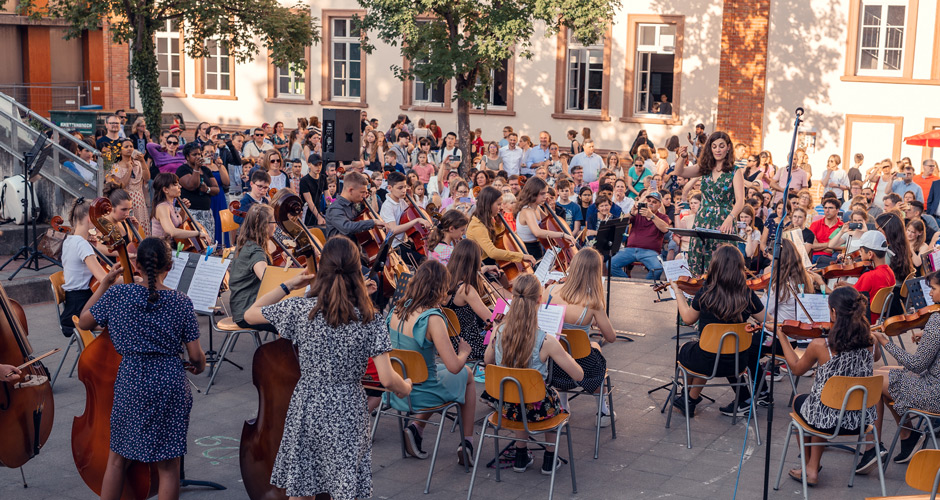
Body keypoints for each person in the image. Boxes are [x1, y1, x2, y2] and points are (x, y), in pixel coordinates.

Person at [243, 236, 411, 499]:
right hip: (347, 406)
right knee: (344, 485)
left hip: (308, 403)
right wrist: (405, 387)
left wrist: (290, 284)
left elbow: (251, 313)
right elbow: (388, 379)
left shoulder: (303, 309)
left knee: (302, 485)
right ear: (357, 271)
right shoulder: (370, 318)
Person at [78, 237, 207, 500]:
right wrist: (199, 366)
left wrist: (104, 283)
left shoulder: (117, 295)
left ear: (137, 267)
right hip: (169, 381)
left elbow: (84, 322)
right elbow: (196, 356)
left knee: (117, 459)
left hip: (131, 379)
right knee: (169, 465)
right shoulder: (181, 302)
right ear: (169, 267)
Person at [774, 286, 879, 485]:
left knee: (802, 402)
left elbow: (796, 369)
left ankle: (810, 468)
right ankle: (812, 467)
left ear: (833, 312)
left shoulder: (821, 346)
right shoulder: (870, 341)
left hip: (828, 419)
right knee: (819, 404)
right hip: (860, 419)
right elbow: (876, 357)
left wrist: (783, 338)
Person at [483, 274, 584, 474]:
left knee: (518, 392)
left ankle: (520, 456)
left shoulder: (500, 331)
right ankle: (549, 458)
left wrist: (495, 330)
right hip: (539, 409)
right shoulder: (545, 341)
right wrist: (565, 353)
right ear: (539, 299)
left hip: (505, 407)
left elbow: (487, 361)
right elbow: (579, 375)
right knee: (551, 399)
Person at [386, 260, 477, 464]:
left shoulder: (397, 310)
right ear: (439, 287)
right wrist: (463, 352)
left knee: (436, 370)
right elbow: (455, 367)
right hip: (422, 393)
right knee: (468, 375)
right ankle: (467, 443)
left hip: (398, 391)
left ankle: (416, 429)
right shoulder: (433, 318)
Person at [671, 245, 767, 417]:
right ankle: (690, 400)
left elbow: (687, 319)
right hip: (738, 362)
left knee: (690, 349)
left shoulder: (706, 292)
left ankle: (689, 399)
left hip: (708, 361)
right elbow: (768, 320)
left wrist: (678, 291)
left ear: (715, 266)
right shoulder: (747, 294)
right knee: (717, 348)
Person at [870, 270, 940, 465]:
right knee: (884, 374)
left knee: (875, 379)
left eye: (933, 289)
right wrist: (925, 338)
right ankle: (908, 436)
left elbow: (917, 365)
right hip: (934, 383)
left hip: (934, 393)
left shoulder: (937, 320)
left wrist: (885, 342)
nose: (931, 294)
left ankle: (872, 448)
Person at [541, 248, 616, 425]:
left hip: (551, 364)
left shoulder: (550, 290)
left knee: (566, 349)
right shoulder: (592, 302)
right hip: (581, 366)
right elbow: (611, 337)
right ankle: (603, 411)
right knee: (596, 354)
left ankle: (564, 405)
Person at [674, 131, 745, 275]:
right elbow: (679, 171)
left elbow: (740, 201)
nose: (718, 150)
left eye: (721, 146)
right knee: (699, 259)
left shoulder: (735, 171)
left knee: (722, 263)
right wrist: (682, 157)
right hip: (703, 219)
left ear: (728, 148)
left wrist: (730, 218)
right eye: (714, 146)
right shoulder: (704, 168)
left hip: (724, 220)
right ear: (710, 148)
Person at [59, 197, 110, 337]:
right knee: (122, 320)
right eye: (98, 218)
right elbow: (104, 279)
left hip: (73, 304)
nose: (100, 223)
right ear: (90, 218)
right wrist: (132, 279)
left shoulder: (69, 240)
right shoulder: (82, 244)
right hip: (81, 309)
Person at [227, 204, 279, 333]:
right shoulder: (255, 251)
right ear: (264, 225)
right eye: (274, 222)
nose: (276, 225)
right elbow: (267, 279)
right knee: (293, 320)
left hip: (244, 306)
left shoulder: (248, 242)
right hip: (247, 311)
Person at [444, 239, 499, 361]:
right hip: (469, 345)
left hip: (448, 344)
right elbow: (491, 320)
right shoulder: (466, 289)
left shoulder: (444, 281)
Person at [466, 186, 537, 268]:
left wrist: (499, 224)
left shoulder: (489, 220)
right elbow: (492, 252)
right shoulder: (477, 226)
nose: (501, 208)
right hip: (481, 265)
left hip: (490, 263)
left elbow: (499, 240)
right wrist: (521, 256)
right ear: (489, 204)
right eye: (498, 204)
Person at [610, 191, 670, 279]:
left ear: (659, 205)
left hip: (650, 251)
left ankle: (646, 288)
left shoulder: (662, 217)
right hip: (630, 249)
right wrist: (631, 213)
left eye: (654, 202)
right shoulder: (638, 213)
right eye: (649, 201)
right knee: (610, 264)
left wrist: (652, 216)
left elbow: (665, 229)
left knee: (657, 268)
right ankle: (628, 284)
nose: (650, 203)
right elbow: (620, 223)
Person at [513, 177, 575, 259]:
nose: (545, 196)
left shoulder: (537, 207)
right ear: (533, 193)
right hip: (527, 249)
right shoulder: (527, 210)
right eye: (542, 194)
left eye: (546, 193)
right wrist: (562, 235)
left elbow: (550, 221)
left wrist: (548, 208)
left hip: (537, 246)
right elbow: (537, 232)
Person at [380, 172, 432, 265]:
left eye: (404, 187)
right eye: (400, 188)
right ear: (390, 188)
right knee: (424, 261)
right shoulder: (387, 206)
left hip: (405, 242)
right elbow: (393, 229)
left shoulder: (401, 201)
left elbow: (414, 212)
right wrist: (417, 221)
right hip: (395, 247)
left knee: (433, 253)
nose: (404, 190)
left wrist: (411, 197)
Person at [324, 171, 387, 240]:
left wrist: (365, 205)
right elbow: (347, 227)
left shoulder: (353, 204)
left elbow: (360, 222)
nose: (364, 195)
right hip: (340, 249)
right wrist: (373, 222)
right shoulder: (335, 208)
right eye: (362, 192)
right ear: (350, 190)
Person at [175, 143, 219, 241]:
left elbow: (216, 189)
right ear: (187, 157)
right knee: (194, 242)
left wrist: (207, 189)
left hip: (206, 213)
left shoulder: (206, 170)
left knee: (207, 241)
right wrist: (196, 168)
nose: (198, 157)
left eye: (199, 154)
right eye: (194, 155)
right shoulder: (182, 169)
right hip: (190, 212)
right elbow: (192, 185)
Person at [853, 230, 897, 323]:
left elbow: (850, 297)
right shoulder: (889, 272)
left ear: (870, 254)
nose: (859, 254)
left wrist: (821, 283)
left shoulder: (869, 276)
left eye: (861, 251)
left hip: (864, 319)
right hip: (878, 318)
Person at [150, 173, 206, 243]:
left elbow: (179, 224)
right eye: (176, 184)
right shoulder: (162, 207)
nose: (180, 186)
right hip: (162, 249)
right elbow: (171, 232)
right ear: (165, 189)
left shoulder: (169, 204)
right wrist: (197, 233)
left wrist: (183, 210)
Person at [109, 139, 150, 233]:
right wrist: (129, 169)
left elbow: (147, 178)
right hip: (126, 201)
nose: (129, 148)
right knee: (130, 229)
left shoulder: (138, 164)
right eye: (126, 147)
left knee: (141, 229)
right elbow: (121, 185)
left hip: (140, 200)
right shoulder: (115, 167)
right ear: (120, 150)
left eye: (131, 146)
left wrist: (143, 162)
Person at [807, 198, 844, 265]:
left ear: (837, 210)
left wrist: (820, 246)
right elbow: (812, 246)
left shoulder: (842, 227)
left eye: (830, 208)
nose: (827, 210)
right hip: (816, 257)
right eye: (825, 208)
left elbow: (844, 247)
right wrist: (831, 245)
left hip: (834, 259)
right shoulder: (815, 224)